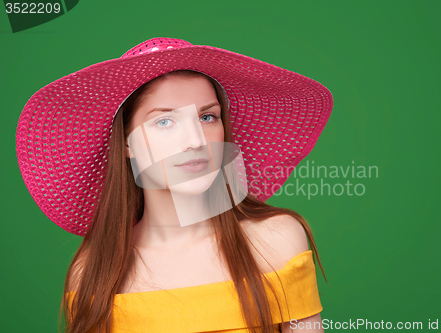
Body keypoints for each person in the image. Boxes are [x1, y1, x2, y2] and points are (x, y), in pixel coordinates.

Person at [15, 37, 333, 333]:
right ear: (126, 143)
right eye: (165, 121)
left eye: (207, 117)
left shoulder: (276, 241)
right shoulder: (92, 273)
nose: (196, 141)